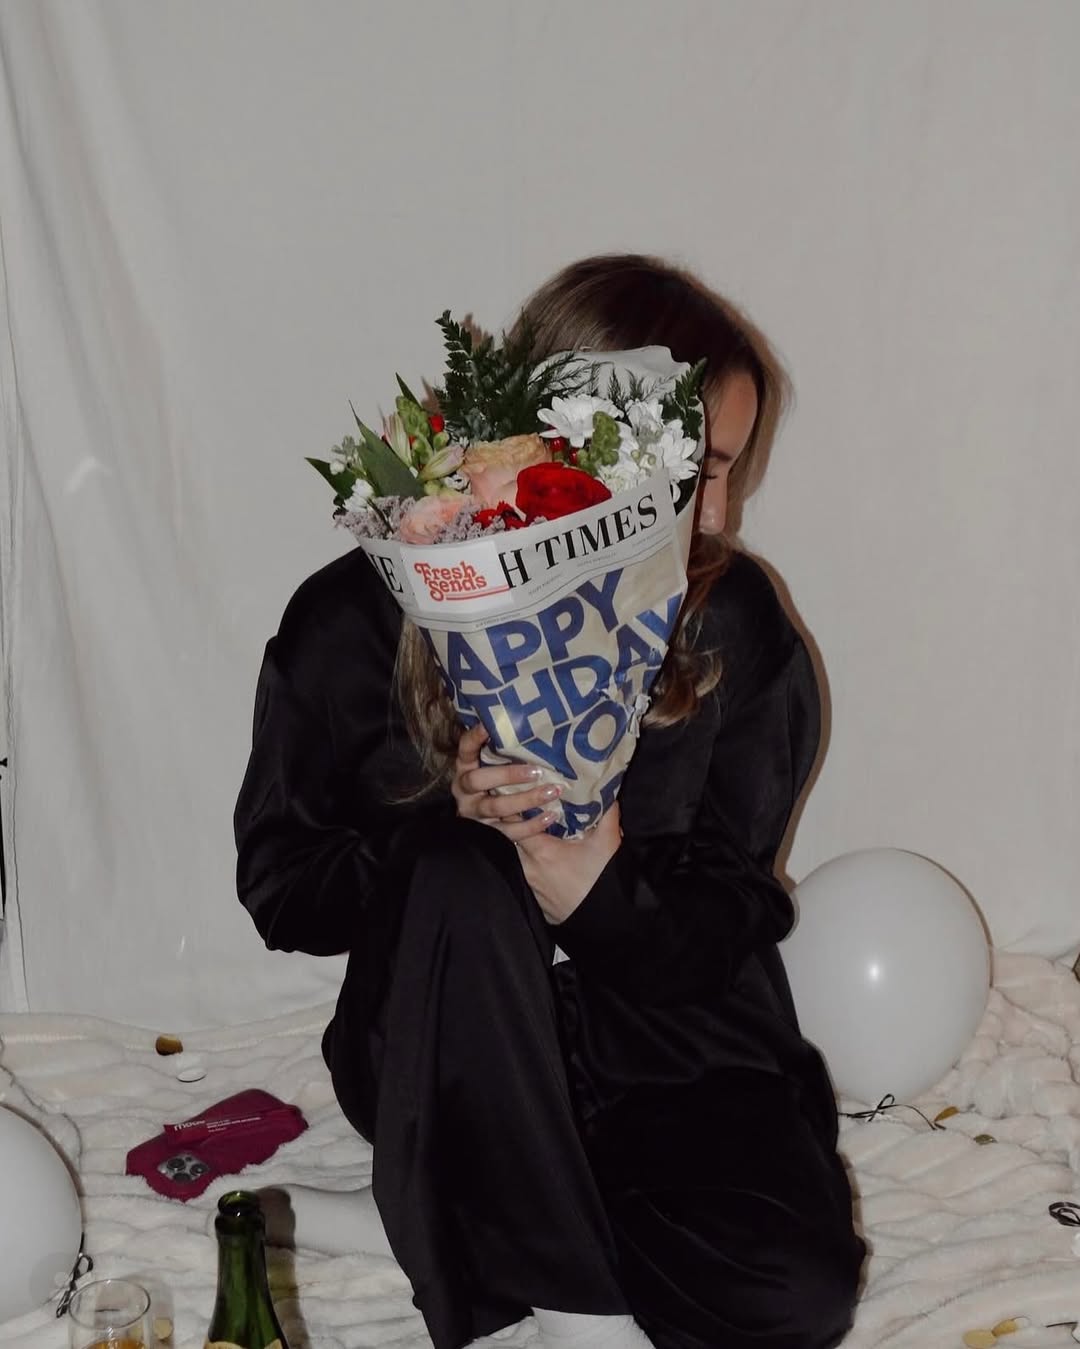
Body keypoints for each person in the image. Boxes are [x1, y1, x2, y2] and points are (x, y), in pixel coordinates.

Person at [234, 254, 865, 1349]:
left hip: (672, 1043)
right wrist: (448, 829)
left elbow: (729, 909)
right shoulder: (356, 619)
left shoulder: (730, 621)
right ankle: (574, 1297)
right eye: (700, 467)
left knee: (792, 1298)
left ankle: (436, 1226)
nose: (721, 507)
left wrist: (602, 889)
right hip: (446, 1048)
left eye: (733, 469)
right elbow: (285, 889)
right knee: (456, 872)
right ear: (577, 444)